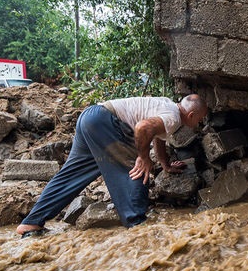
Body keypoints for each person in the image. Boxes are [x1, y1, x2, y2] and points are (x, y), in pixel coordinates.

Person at [16, 94, 208, 236]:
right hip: (106, 123)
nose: (200, 123)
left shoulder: (168, 105)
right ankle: (138, 227)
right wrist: (143, 157)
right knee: (137, 171)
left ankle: (32, 222)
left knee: (72, 174)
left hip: (91, 117)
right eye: (200, 119)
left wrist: (165, 163)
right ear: (191, 115)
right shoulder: (174, 118)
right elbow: (143, 127)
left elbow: (158, 136)